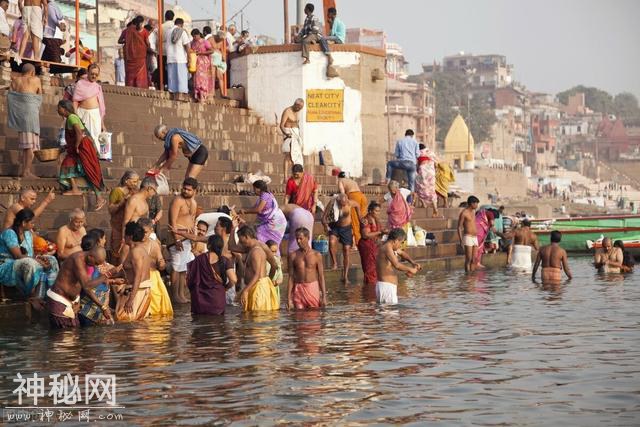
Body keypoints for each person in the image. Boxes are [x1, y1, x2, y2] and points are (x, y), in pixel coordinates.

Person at [0, 209, 59, 304]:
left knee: (52, 260)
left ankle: (50, 292)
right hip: (6, 266)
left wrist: (40, 258)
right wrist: (36, 260)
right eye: (32, 223)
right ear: (24, 223)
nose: (33, 225)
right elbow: (18, 255)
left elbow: (30, 255)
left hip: (24, 260)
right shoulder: (9, 233)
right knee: (29, 263)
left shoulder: (28, 234)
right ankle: (31, 295)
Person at [57, 99, 106, 211]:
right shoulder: (71, 117)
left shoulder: (71, 117)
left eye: (59, 108)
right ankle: (78, 190)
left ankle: (98, 197)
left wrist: (77, 146)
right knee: (85, 169)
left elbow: (79, 133)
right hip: (81, 145)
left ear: (64, 109)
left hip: (83, 146)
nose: (57, 110)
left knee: (84, 168)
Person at [47, 246, 112, 329]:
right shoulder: (77, 259)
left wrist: (103, 307)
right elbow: (87, 286)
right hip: (60, 300)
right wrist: (107, 275)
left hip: (72, 304)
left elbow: (87, 288)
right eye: (95, 263)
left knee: (74, 334)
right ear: (90, 257)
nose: (96, 266)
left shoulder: (88, 263)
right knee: (64, 335)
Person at [187, 234, 237, 315]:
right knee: (218, 324)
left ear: (208, 245)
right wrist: (226, 288)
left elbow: (190, 279)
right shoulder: (225, 260)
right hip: (217, 299)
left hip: (200, 300)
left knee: (200, 324)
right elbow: (234, 280)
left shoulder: (199, 259)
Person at [7, 63, 42, 178]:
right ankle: (26, 171)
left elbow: (11, 97)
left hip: (21, 116)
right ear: (32, 72)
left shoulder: (16, 81)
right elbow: (39, 95)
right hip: (31, 115)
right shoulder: (36, 80)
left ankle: (25, 171)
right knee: (30, 146)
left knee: (25, 145)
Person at [114, 221, 152, 321]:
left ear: (129, 237)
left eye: (125, 234)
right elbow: (126, 271)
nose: (123, 237)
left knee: (125, 321)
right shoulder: (136, 250)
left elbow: (138, 277)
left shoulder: (136, 252)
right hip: (136, 291)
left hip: (136, 292)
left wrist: (130, 300)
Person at [77, 232, 117, 326]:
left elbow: (95, 282)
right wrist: (103, 307)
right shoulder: (87, 266)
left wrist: (112, 281)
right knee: (88, 335)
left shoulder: (90, 264)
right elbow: (88, 288)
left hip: (94, 309)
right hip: (87, 310)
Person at [235, 225, 279, 312]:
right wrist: (233, 228)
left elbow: (257, 274)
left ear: (247, 237)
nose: (240, 242)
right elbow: (231, 247)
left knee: (258, 318)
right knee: (252, 318)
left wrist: (245, 291)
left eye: (240, 239)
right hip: (255, 286)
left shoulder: (256, 251)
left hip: (258, 288)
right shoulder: (251, 249)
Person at [168, 178, 198, 304]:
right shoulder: (177, 201)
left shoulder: (193, 202)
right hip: (177, 238)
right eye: (184, 188)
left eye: (188, 189)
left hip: (187, 238)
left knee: (183, 268)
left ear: (194, 191)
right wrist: (176, 239)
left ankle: (181, 294)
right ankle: (175, 295)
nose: (185, 191)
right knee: (176, 267)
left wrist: (192, 238)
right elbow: (172, 222)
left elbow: (192, 220)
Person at [136, 217, 173, 316]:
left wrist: (161, 264)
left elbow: (161, 263)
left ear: (151, 231)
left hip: (153, 278)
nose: (143, 235)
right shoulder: (133, 244)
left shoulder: (154, 245)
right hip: (138, 277)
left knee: (155, 308)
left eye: (145, 232)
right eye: (140, 231)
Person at [238, 180, 287, 254]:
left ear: (259, 189)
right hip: (272, 222)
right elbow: (254, 208)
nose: (254, 191)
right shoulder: (262, 196)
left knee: (262, 235)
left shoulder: (265, 195)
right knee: (263, 236)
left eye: (254, 189)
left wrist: (245, 211)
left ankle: (274, 258)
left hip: (276, 223)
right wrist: (239, 212)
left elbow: (258, 209)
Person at [322, 193, 361, 283]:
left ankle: (345, 276)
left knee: (346, 250)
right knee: (331, 242)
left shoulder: (350, 203)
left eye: (344, 204)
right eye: (341, 204)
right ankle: (335, 263)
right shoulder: (332, 202)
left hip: (346, 229)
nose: (343, 206)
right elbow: (323, 218)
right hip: (335, 226)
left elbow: (358, 205)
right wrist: (325, 226)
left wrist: (360, 217)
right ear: (338, 201)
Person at [375, 228, 420, 305]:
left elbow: (402, 253)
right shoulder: (387, 248)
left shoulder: (390, 246)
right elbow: (397, 265)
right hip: (387, 288)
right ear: (395, 240)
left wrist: (412, 262)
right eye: (401, 242)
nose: (400, 245)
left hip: (386, 287)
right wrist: (411, 269)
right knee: (391, 316)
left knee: (389, 315)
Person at [287, 227, 327, 310]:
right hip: (298, 289)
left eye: (301, 238)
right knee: (299, 316)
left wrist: (324, 297)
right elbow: (291, 277)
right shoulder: (293, 256)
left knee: (313, 316)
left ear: (308, 238)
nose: (298, 241)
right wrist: (288, 299)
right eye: (297, 239)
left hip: (312, 288)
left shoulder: (317, 255)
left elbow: (321, 276)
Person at [108, 170, 140, 262]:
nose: (136, 184)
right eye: (134, 181)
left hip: (130, 227)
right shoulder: (117, 191)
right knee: (117, 251)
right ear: (126, 181)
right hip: (118, 226)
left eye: (137, 181)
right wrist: (122, 202)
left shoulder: (135, 192)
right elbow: (111, 210)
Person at [72, 63, 106, 145]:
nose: (94, 76)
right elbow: (75, 101)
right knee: (82, 139)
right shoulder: (80, 83)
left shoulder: (97, 87)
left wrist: (102, 124)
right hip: (82, 114)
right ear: (88, 72)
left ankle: (93, 157)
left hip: (95, 116)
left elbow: (101, 106)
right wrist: (76, 116)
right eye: (92, 74)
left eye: (96, 75)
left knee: (95, 140)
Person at [358, 201, 386, 285]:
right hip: (367, 246)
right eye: (376, 211)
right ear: (370, 211)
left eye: (379, 211)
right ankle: (370, 292)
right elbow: (365, 235)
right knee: (369, 269)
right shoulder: (365, 220)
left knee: (375, 268)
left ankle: (373, 290)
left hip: (375, 245)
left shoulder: (376, 219)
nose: (378, 213)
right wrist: (380, 232)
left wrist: (383, 232)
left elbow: (379, 232)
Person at [338, 171, 368, 245]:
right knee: (362, 219)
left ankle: (358, 243)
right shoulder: (352, 181)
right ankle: (366, 239)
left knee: (355, 221)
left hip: (354, 197)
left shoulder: (340, 181)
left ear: (338, 177)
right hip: (362, 196)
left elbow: (342, 193)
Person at [386, 130, 419, 194]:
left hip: (401, 163)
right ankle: (410, 202)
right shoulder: (415, 142)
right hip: (412, 165)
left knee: (389, 163)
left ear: (405, 134)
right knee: (411, 184)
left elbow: (397, 154)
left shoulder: (400, 141)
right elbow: (417, 154)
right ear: (412, 135)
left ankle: (388, 179)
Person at [166, 18, 191, 100]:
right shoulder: (182, 31)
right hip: (180, 58)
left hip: (170, 57)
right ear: (181, 24)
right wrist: (189, 58)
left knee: (172, 77)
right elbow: (187, 46)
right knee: (182, 77)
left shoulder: (168, 31)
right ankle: (181, 95)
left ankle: (173, 95)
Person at [280, 99, 305, 179]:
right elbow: (281, 125)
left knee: (296, 157)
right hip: (288, 134)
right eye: (298, 107)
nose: (299, 109)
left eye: (301, 108)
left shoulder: (298, 112)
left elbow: (297, 125)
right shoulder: (287, 111)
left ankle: (295, 175)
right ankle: (285, 177)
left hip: (296, 134)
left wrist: (299, 137)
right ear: (295, 104)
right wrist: (286, 134)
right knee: (288, 156)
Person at [123, 16, 149, 88]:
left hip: (134, 56)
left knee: (133, 73)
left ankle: (133, 86)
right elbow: (147, 43)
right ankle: (138, 86)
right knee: (139, 73)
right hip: (137, 56)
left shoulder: (128, 31)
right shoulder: (143, 31)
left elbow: (120, 40)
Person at [415, 143, 440, 217]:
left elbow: (417, 164)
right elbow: (437, 162)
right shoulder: (430, 152)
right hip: (431, 173)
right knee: (432, 191)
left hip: (423, 172)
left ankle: (423, 204)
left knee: (418, 188)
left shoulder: (418, 152)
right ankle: (435, 209)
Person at [190, 29, 213, 102]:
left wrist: (201, 53)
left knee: (202, 79)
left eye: (195, 36)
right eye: (193, 36)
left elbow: (211, 51)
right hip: (195, 63)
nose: (194, 38)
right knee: (196, 79)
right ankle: (197, 95)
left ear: (198, 35)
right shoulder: (192, 42)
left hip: (203, 63)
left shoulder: (204, 41)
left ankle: (203, 96)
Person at [458, 195, 479, 273]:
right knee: (468, 259)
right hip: (468, 237)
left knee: (474, 259)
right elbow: (459, 227)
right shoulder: (464, 213)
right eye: (476, 203)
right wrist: (461, 240)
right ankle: (467, 277)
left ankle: (472, 277)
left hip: (475, 237)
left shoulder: (473, 212)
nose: (477, 205)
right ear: (471, 203)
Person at [209, 31, 228, 98]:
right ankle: (212, 92)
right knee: (213, 76)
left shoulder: (222, 40)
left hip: (219, 60)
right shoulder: (210, 39)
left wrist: (223, 56)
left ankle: (222, 94)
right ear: (217, 36)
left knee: (220, 76)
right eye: (220, 39)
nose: (221, 40)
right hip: (212, 59)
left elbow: (222, 49)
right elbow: (206, 48)